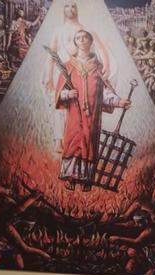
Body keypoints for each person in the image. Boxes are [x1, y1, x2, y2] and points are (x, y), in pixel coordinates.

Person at [52, 30, 131, 191]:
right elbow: (59, 91)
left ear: (90, 41)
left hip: (92, 115)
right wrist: (68, 94)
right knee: (73, 141)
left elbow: (105, 93)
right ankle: (70, 177)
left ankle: (87, 179)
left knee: (89, 143)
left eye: (85, 37)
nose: (82, 40)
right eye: (78, 38)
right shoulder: (68, 66)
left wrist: (119, 101)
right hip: (75, 114)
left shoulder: (98, 67)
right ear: (75, 42)